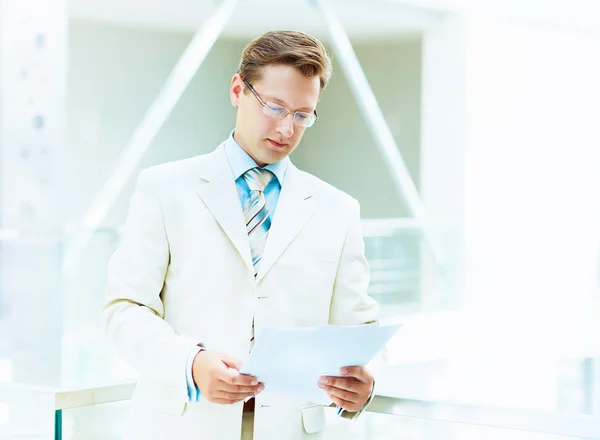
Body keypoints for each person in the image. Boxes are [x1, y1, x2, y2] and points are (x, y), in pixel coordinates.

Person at [103, 30, 380, 440]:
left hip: (291, 430)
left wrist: (364, 384)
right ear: (238, 89)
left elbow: (359, 331)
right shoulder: (164, 189)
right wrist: (191, 363)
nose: (287, 129)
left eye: (303, 115)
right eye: (275, 107)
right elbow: (123, 312)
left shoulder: (338, 210)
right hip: (183, 425)